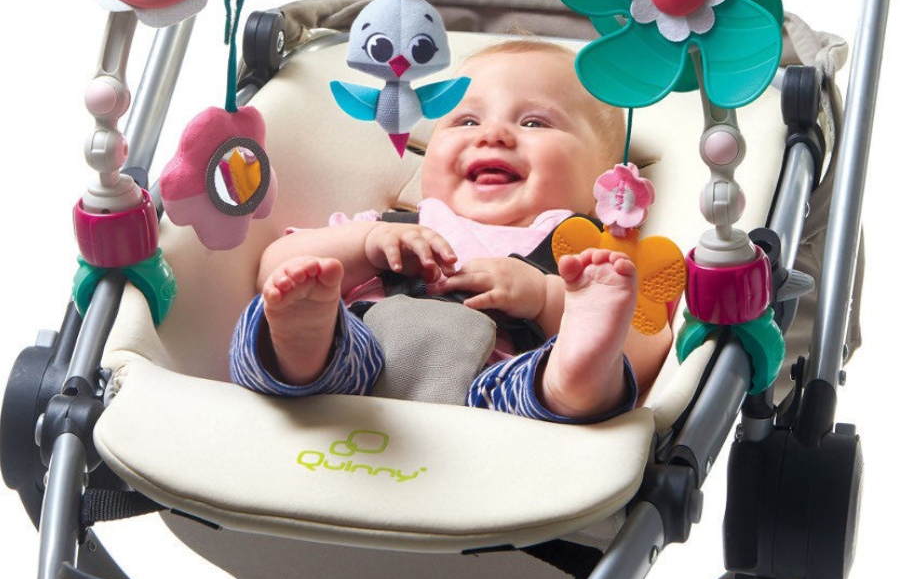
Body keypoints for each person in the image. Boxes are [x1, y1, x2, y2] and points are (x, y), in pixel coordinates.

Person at [230, 40, 673, 422]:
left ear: (603, 180)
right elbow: (273, 267)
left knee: (551, 380)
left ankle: (570, 380)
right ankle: (304, 345)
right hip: (357, 370)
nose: (493, 135)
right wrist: (364, 247)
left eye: (534, 123)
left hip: (495, 396)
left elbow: (649, 348)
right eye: (466, 121)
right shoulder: (388, 228)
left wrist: (547, 298)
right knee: (296, 319)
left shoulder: (585, 259)